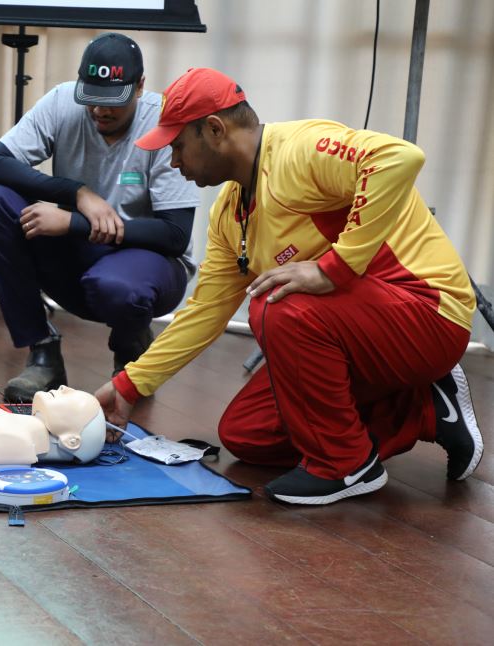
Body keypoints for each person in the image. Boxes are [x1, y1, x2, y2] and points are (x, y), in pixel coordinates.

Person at [95, 67, 484, 505]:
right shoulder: (229, 214)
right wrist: (129, 387)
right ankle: (423, 407)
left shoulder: (299, 150)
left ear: (216, 129)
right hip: (367, 329)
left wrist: (332, 269)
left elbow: (399, 157)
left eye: (178, 145)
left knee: (278, 302)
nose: (173, 161)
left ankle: (348, 465)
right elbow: (205, 313)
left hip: (429, 313)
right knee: (247, 435)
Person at [0, 32, 199, 402]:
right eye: (91, 99)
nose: (99, 111)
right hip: (79, 258)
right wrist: (76, 193)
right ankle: (43, 352)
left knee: (118, 288)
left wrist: (74, 221)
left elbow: (174, 234)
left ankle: (131, 351)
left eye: (113, 103)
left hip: (146, 264)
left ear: (139, 87)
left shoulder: (165, 120)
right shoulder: (62, 101)